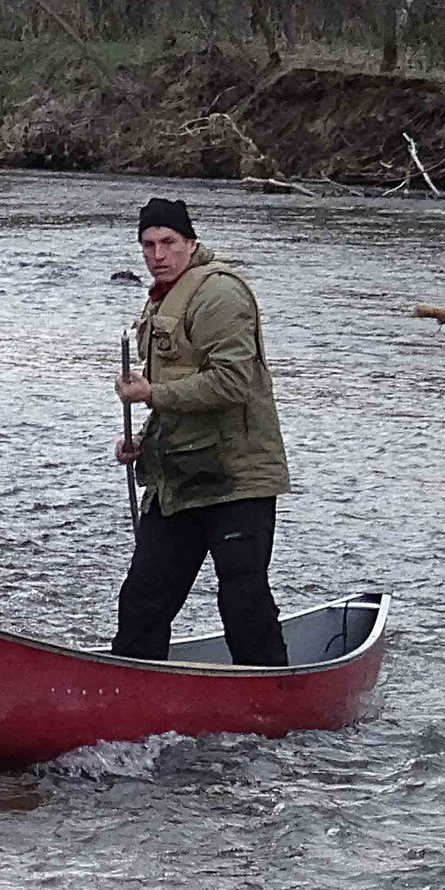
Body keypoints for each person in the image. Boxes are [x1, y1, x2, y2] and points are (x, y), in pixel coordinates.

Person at [110, 197, 292, 665]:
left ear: (191, 243)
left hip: (236, 480)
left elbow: (234, 382)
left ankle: (273, 706)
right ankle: (131, 700)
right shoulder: (160, 300)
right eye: (148, 244)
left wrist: (151, 395)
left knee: (242, 602)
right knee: (142, 601)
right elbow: (178, 390)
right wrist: (142, 443)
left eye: (168, 242)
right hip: (180, 481)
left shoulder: (220, 295)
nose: (157, 255)